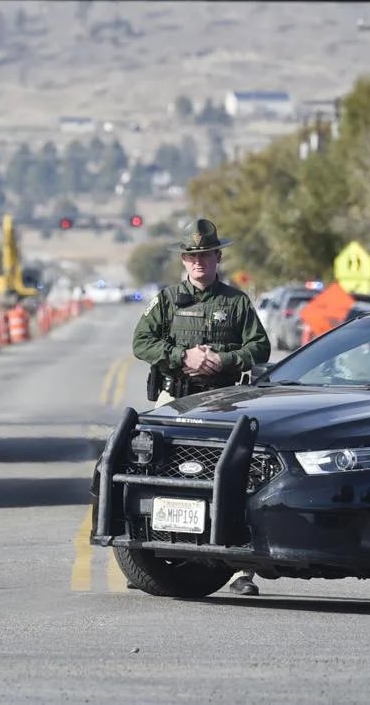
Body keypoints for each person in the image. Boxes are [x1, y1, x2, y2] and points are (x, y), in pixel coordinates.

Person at [131, 217, 271, 596]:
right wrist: (182, 356)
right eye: (192, 256)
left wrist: (224, 360)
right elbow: (141, 343)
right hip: (175, 399)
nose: (199, 262)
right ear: (183, 260)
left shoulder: (236, 302)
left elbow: (260, 348)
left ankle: (244, 570)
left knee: (240, 476)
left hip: (224, 403)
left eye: (206, 255)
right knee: (152, 468)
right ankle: (145, 555)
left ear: (217, 256)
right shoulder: (166, 300)